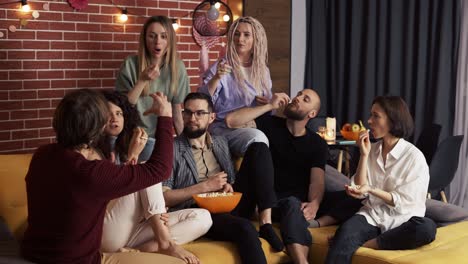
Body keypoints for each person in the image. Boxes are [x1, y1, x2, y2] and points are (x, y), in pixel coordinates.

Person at [20, 89, 184, 264]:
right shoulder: (90, 172)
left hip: (32, 253)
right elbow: (159, 170)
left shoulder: (42, 154)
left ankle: (159, 243)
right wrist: (165, 117)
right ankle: (163, 243)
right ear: (97, 127)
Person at [225, 89, 362, 264]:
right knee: (292, 204)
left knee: (356, 198)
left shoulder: (317, 143)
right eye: (298, 94)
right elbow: (230, 121)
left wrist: (315, 203)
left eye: (305, 99)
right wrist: (269, 105)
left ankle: (316, 223)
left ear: (312, 114)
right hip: (270, 202)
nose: (297, 98)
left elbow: (317, 180)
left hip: (299, 203)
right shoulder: (269, 124)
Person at [163, 92, 285, 264]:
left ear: (211, 117)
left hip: (230, 202)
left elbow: (234, 178)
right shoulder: (171, 149)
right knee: (245, 228)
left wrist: (229, 185)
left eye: (199, 113)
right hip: (201, 213)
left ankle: (266, 223)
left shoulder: (221, 142)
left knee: (259, 146)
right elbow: (164, 197)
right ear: (182, 115)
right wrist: (205, 187)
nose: (192, 118)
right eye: (188, 113)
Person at [97, 91, 212, 264]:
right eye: (109, 114)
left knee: (203, 217)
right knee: (146, 170)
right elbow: (107, 197)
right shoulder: (93, 151)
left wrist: (155, 213)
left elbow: (139, 192)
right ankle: (165, 242)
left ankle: (137, 251)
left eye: (119, 113)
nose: (115, 118)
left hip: (131, 230)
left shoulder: (130, 143)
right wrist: (132, 159)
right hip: (106, 231)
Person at [324, 96, 437, 263]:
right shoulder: (372, 150)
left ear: (393, 120)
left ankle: (369, 244)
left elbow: (403, 202)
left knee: (426, 228)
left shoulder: (414, 158)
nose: (369, 121)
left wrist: (370, 189)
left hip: (403, 221)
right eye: (371, 115)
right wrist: (364, 155)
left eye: (376, 116)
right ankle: (352, 240)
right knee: (347, 229)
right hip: (372, 215)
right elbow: (360, 191)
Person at [116, 15, 190, 158]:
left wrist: (185, 145)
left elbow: (176, 111)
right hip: (135, 136)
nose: (158, 41)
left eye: (164, 36)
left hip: (164, 136)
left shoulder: (177, 67)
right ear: (145, 39)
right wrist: (142, 80)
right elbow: (123, 107)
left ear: (170, 40)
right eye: (152, 36)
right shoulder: (130, 64)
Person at [198, 16, 272, 156]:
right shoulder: (221, 67)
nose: (240, 39)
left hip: (252, 124)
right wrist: (217, 78)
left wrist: (267, 103)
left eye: (246, 35)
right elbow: (202, 100)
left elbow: (268, 109)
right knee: (258, 139)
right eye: (236, 34)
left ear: (256, 39)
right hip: (224, 129)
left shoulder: (263, 71)